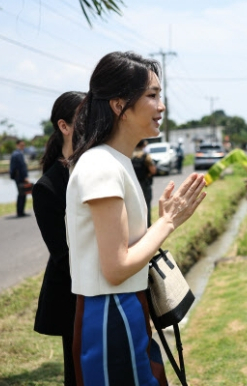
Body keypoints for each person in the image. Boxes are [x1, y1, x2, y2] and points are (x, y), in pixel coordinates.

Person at [66, 51, 207, 386]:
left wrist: (163, 221)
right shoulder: (101, 166)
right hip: (110, 311)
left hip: (126, 305)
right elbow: (116, 268)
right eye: (152, 95)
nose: (161, 106)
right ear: (119, 105)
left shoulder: (116, 161)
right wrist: (168, 222)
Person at [32, 91, 85, 386]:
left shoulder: (98, 165)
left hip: (108, 285)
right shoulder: (48, 187)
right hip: (74, 295)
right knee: (78, 374)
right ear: (64, 126)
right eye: (84, 117)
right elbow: (62, 254)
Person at [132, 139, 157, 227]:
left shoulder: (129, 155)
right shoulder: (145, 156)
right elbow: (153, 170)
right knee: (147, 207)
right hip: (144, 184)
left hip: (132, 185)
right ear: (143, 145)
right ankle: (147, 227)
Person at [9, 139, 30, 217]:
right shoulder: (18, 154)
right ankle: (20, 212)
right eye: (21, 145)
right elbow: (22, 167)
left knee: (21, 194)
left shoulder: (15, 154)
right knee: (22, 194)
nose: (23, 147)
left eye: (23, 145)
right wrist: (25, 177)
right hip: (20, 177)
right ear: (17, 145)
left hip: (17, 177)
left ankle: (20, 211)